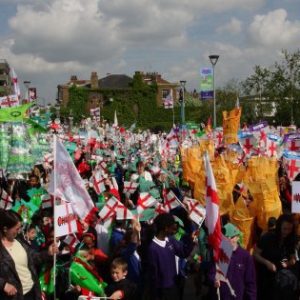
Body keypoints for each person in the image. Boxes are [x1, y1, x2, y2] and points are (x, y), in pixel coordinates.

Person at [0, 209, 58, 300]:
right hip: (16, 296)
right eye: (16, 229)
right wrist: (3, 284)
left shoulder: (19, 241)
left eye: (20, 228)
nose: (19, 232)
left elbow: (34, 257)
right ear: (5, 229)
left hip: (33, 291)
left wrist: (48, 253)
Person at [147, 213, 195, 300]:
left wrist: (191, 240)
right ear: (166, 228)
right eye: (172, 227)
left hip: (174, 286)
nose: (175, 229)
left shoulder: (170, 240)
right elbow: (154, 276)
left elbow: (184, 252)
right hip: (163, 292)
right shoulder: (152, 249)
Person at [253, 214, 297, 300]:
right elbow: (255, 254)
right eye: (284, 229)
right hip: (265, 278)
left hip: (281, 280)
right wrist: (267, 263)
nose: (286, 232)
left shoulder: (291, 239)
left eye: (289, 229)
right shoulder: (267, 237)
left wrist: (289, 263)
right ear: (279, 226)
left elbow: (293, 258)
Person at [211, 223, 256, 300]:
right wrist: (214, 280)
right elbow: (211, 273)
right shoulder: (220, 253)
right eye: (225, 238)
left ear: (237, 237)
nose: (227, 240)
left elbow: (250, 283)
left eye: (230, 237)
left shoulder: (245, 256)